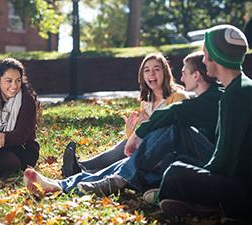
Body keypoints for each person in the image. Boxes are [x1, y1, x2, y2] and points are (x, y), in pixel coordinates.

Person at [24, 51, 222, 197]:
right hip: (166, 155)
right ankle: (63, 184)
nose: (181, 76)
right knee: (127, 162)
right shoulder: (192, 100)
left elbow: (173, 117)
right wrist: (133, 133)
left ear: (196, 76)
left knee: (163, 135)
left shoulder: (196, 99)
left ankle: (114, 179)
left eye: (185, 72)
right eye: (147, 70)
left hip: (194, 163)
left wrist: (140, 133)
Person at [158, 25, 251, 221]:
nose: (202, 59)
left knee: (174, 174)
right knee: (176, 164)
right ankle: (198, 203)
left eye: (205, 53)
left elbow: (225, 159)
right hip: (239, 181)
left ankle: (206, 204)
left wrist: (199, 179)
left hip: (241, 190)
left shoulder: (234, 95)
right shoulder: (242, 87)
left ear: (215, 57)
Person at [62, 52, 188, 177]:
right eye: (147, 70)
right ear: (142, 76)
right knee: (124, 145)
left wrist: (147, 124)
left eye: (157, 69)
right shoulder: (146, 101)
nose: (152, 74)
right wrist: (130, 131)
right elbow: (139, 136)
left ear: (165, 72)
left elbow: (174, 132)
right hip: (146, 147)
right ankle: (81, 167)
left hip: (165, 152)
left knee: (127, 151)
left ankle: (82, 170)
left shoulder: (178, 96)